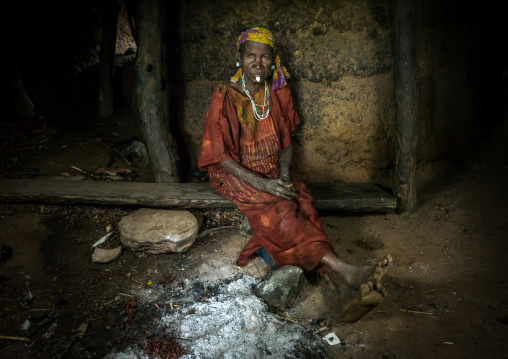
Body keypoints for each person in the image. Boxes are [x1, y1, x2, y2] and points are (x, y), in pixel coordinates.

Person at [198, 26, 392, 322]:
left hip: (273, 171)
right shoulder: (224, 96)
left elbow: (287, 143)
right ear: (239, 58)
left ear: (272, 60)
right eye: (251, 56)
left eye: (264, 57)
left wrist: (284, 174)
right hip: (235, 175)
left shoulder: (274, 94)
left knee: (303, 204)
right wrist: (265, 184)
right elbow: (220, 156)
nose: (258, 63)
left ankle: (344, 294)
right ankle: (349, 272)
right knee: (281, 213)